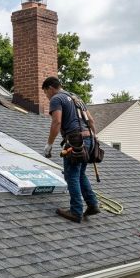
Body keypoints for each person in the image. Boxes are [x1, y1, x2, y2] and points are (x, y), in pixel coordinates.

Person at [42, 76, 101, 222]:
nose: (47, 97)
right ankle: (92, 205)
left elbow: (57, 122)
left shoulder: (57, 99)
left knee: (71, 175)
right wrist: (94, 139)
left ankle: (76, 211)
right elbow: (91, 121)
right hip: (89, 139)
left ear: (50, 88)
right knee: (80, 174)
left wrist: (49, 145)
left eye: (45, 93)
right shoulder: (76, 97)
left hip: (75, 141)